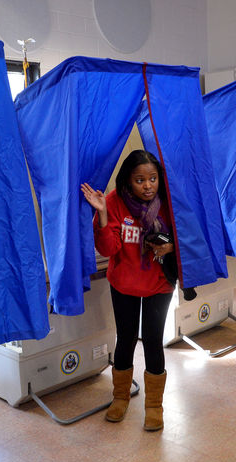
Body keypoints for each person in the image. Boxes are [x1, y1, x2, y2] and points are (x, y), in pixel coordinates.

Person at [81, 150, 175, 431]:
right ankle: (120, 398)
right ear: (127, 181)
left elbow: (189, 237)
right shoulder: (115, 202)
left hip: (159, 283)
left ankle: (154, 406)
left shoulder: (170, 202)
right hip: (124, 283)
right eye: (140, 180)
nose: (148, 186)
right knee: (125, 339)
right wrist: (102, 215)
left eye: (153, 179)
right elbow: (109, 249)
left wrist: (170, 246)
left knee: (154, 341)